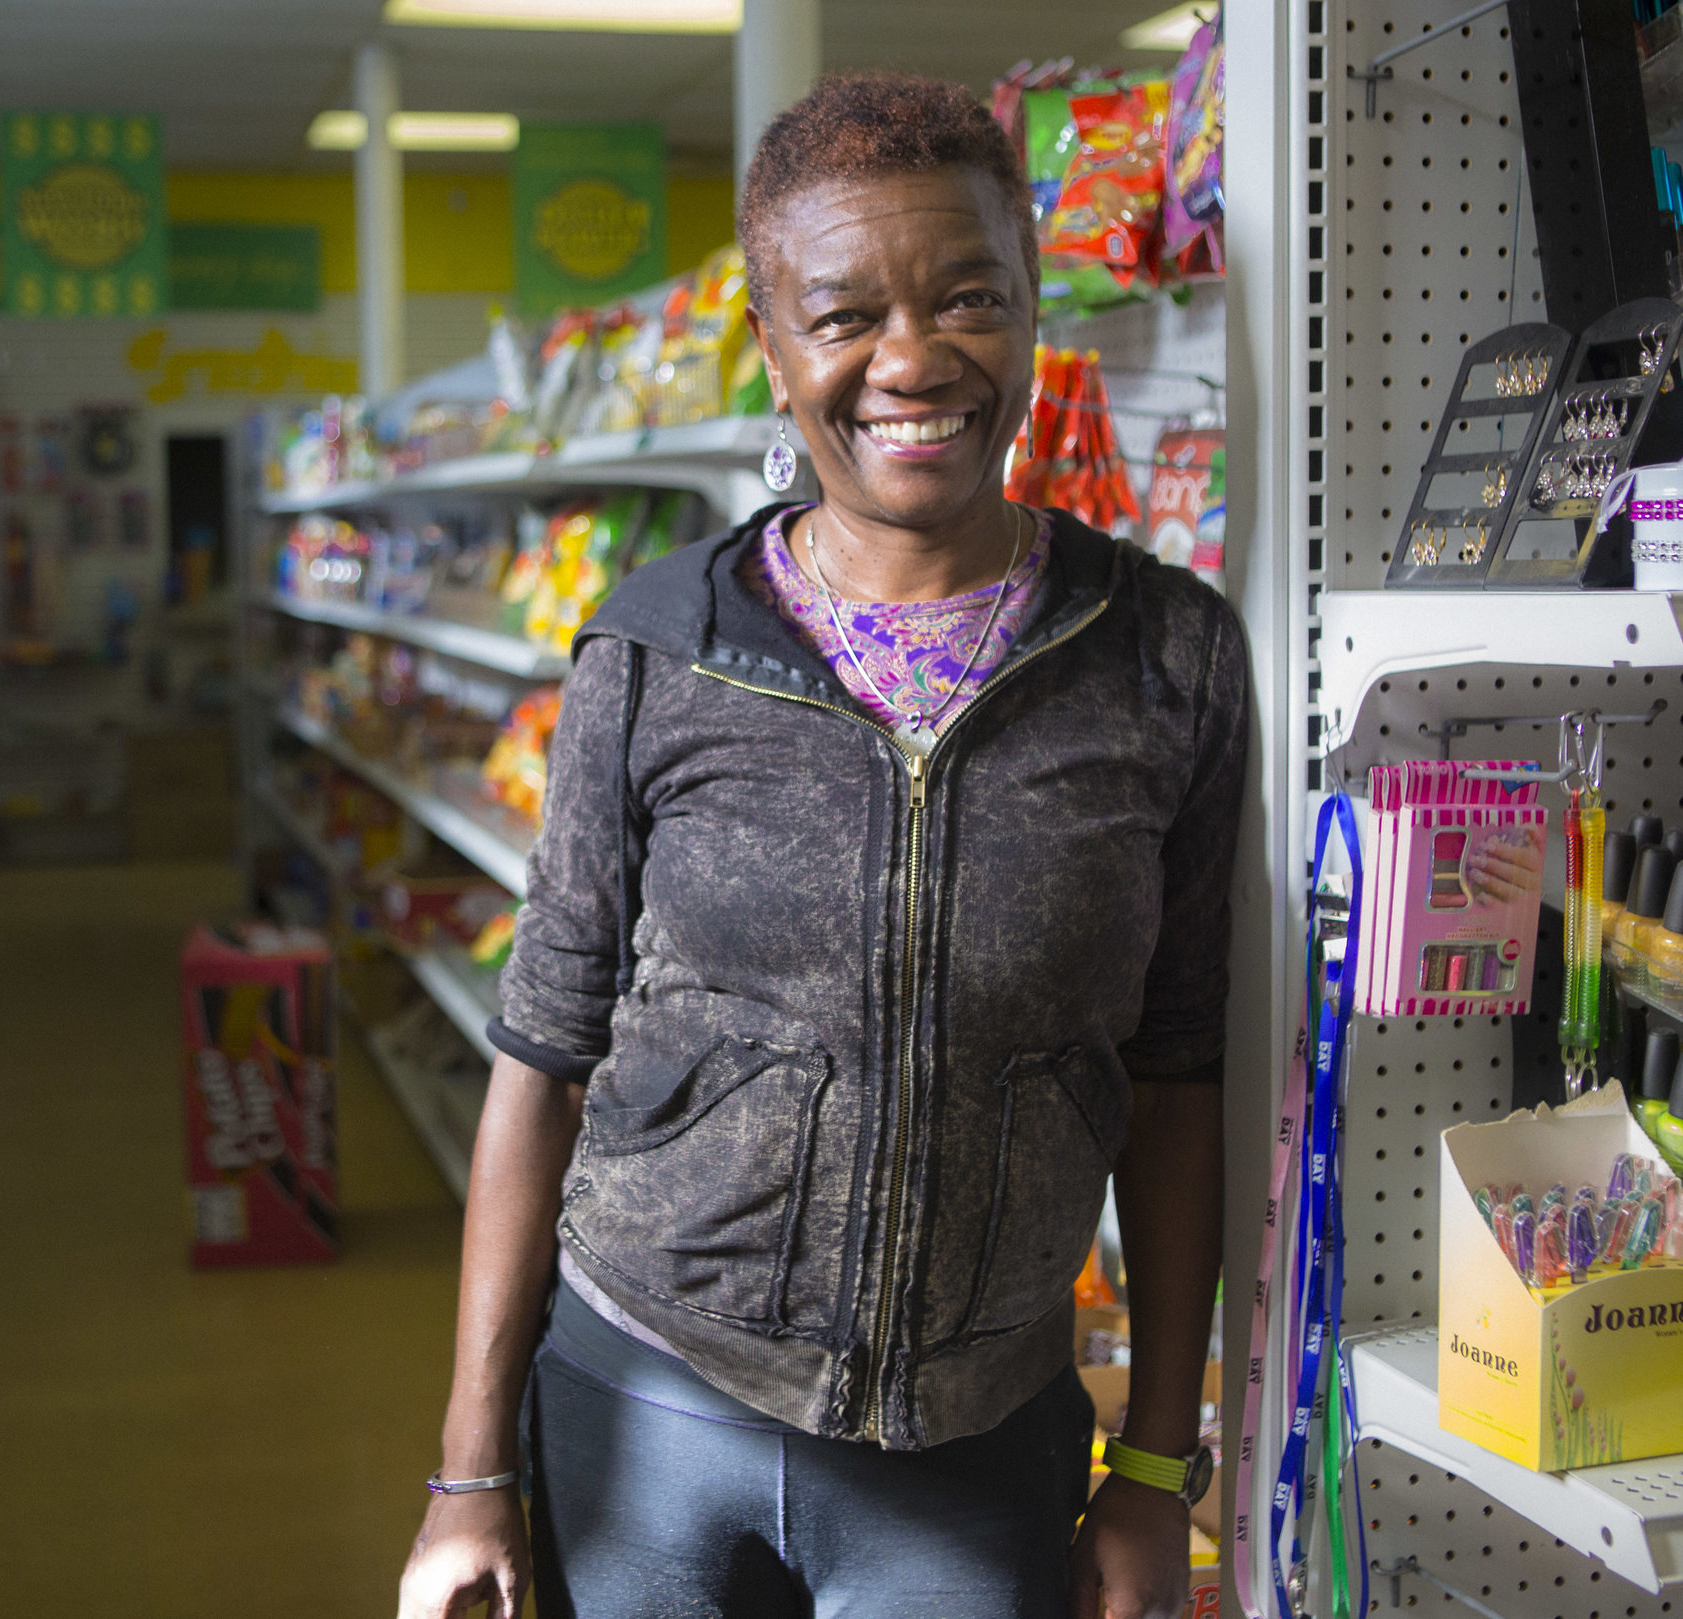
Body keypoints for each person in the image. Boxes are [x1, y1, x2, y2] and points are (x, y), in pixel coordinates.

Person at [399, 70, 1248, 1619]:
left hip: (973, 1448)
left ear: (1033, 303)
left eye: (968, 296)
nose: (911, 359)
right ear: (774, 347)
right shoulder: (656, 647)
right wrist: (469, 1479)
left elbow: (1179, 1076)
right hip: (643, 1412)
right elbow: (543, 1063)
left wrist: (1153, 1465)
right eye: (845, 314)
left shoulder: (1169, 656)